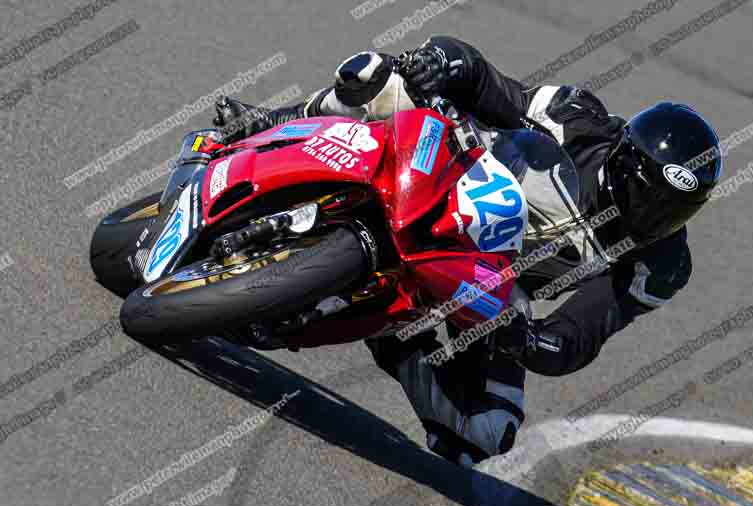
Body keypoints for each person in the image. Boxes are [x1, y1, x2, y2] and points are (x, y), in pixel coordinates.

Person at [213, 36, 723, 466]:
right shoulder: (580, 120)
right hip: (454, 174)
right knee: (380, 78)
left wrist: (532, 342)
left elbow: (582, 332)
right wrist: (445, 60)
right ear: (623, 160)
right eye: (646, 194)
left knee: (487, 431)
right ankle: (268, 124)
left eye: (674, 210)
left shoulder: (662, 265)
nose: (653, 216)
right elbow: (490, 86)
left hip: (491, 282)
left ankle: (396, 337)